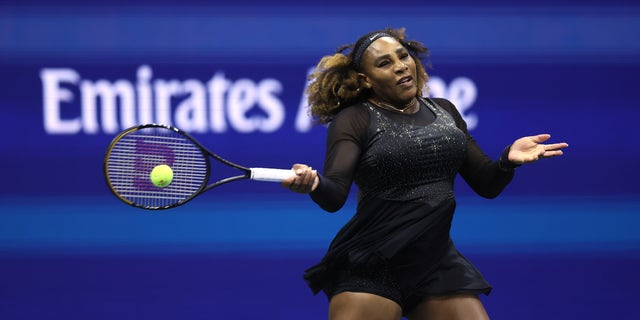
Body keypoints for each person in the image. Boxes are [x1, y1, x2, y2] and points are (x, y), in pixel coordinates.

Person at [281, 27, 568, 320]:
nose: (400, 66)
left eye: (402, 56)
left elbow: (487, 183)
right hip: (374, 262)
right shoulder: (354, 119)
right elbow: (335, 194)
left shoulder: (445, 111)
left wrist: (507, 160)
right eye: (384, 63)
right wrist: (314, 184)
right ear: (365, 80)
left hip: (436, 262)